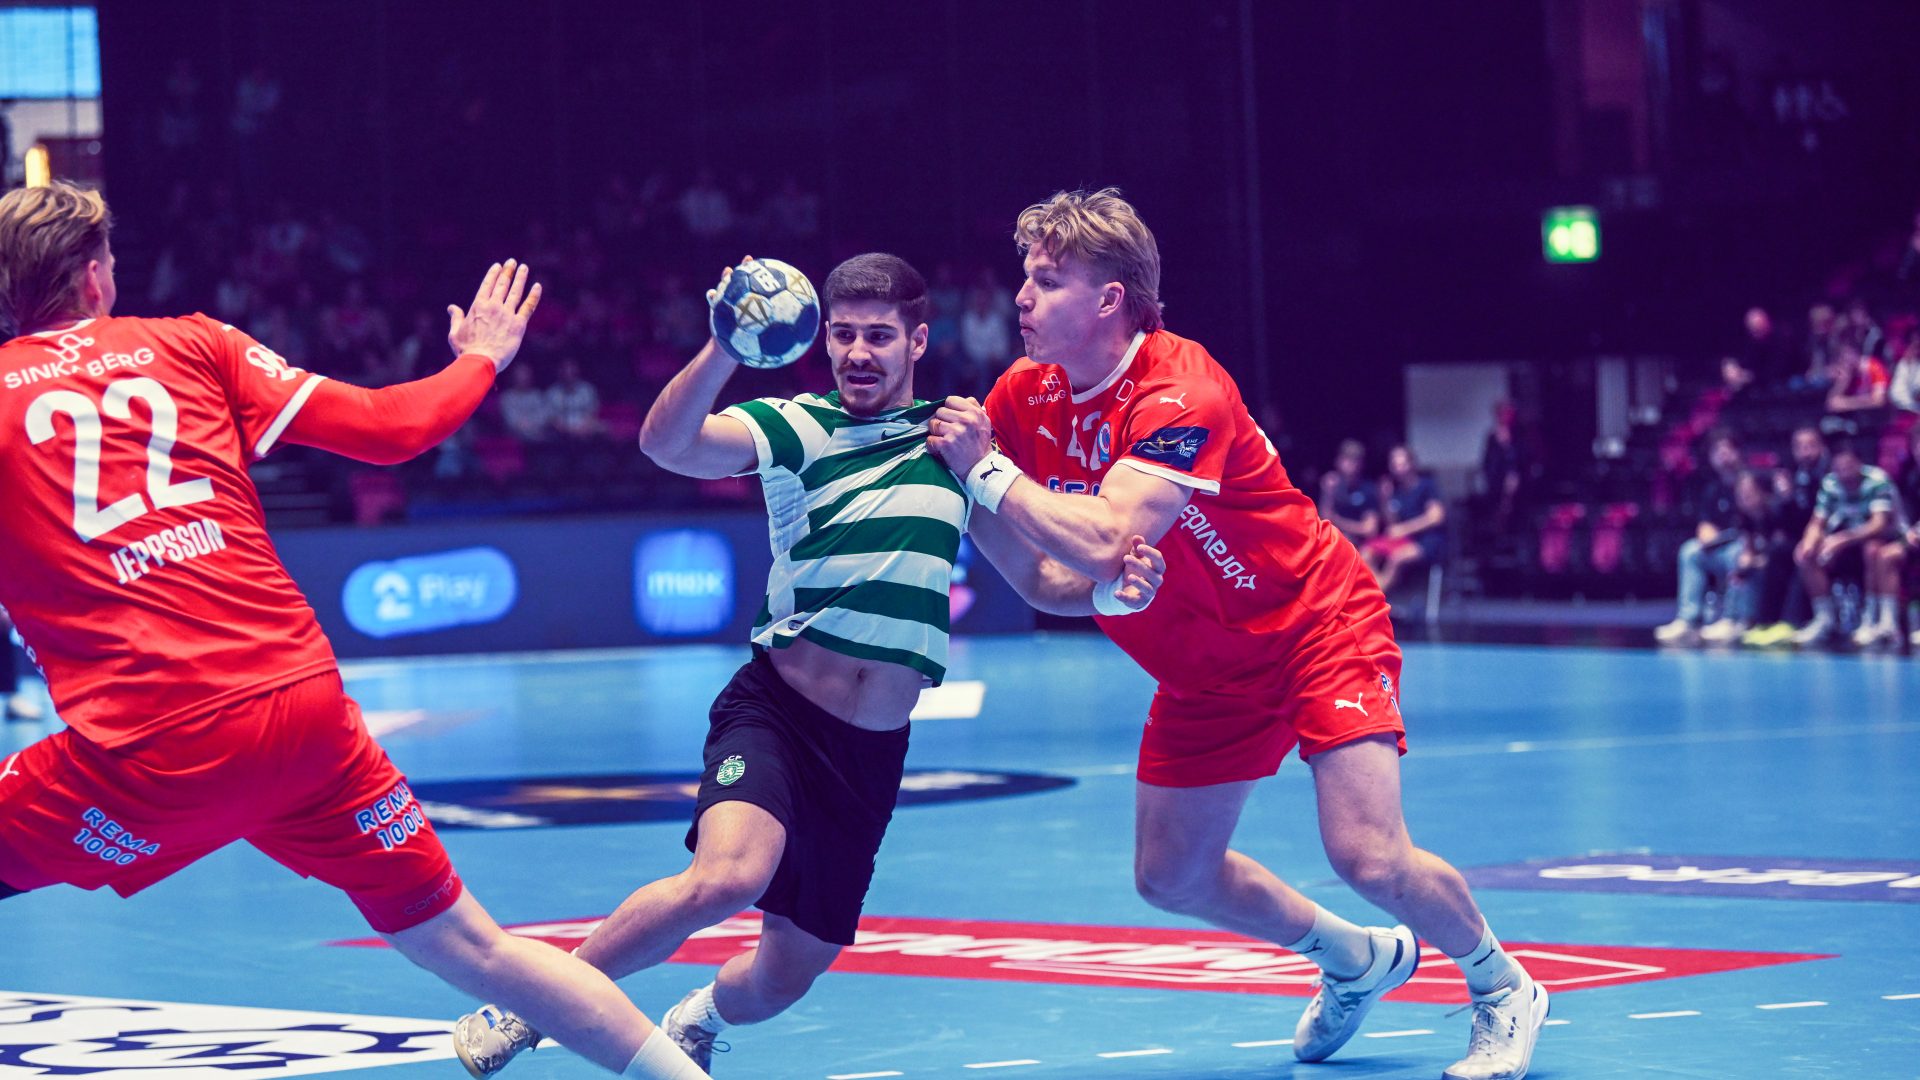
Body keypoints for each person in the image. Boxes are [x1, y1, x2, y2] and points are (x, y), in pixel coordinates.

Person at [0, 182, 708, 1080]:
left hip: (150, 748)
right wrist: (480, 358)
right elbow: (393, 427)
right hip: (306, 722)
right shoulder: (194, 344)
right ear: (96, 277)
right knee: (475, 948)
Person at [451, 253, 1164, 1075]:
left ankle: (698, 1016)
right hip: (777, 713)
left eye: (880, 337)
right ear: (823, 338)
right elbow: (667, 444)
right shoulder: (797, 426)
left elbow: (1040, 582)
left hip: (868, 752)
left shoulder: (959, 447)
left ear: (917, 341)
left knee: (785, 977)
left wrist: (1114, 594)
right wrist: (723, 347)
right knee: (725, 877)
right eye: (844, 335)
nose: (859, 353)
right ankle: (530, 1006)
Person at [927, 188, 1546, 1080]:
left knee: (1368, 855)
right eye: (1026, 276)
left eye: (1049, 280)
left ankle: (1502, 985)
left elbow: (1105, 536)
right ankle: (1353, 957)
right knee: (1170, 875)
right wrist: (999, 513)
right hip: (1204, 672)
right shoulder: (1025, 397)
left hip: (1313, 626)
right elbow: (1041, 580)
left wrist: (984, 471)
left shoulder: (1181, 389)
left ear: (1110, 299)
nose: (1022, 296)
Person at [1791, 441, 1897, 647]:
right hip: (1844, 544)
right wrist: (1810, 541)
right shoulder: (1830, 483)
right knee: (1804, 553)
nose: (1844, 474)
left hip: (1882, 538)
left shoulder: (1877, 480)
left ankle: (1878, 621)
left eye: (1848, 467)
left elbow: (1879, 525)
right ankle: (1825, 620)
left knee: (1872, 549)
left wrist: (1842, 540)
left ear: (1859, 464)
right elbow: (1817, 522)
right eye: (1839, 469)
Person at [1655, 431, 1745, 646]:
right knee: (1690, 551)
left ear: (1738, 452)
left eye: (1727, 449)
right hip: (1721, 547)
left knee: (1738, 551)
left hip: (1744, 546)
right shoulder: (1712, 489)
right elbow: (1705, 525)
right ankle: (1688, 619)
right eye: (1717, 451)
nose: (1723, 455)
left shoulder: (1749, 482)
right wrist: (1706, 535)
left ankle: (1731, 619)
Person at [1743, 427, 1827, 647]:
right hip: (1799, 538)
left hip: (1826, 539)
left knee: (1802, 555)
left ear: (1821, 447)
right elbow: (1786, 521)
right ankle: (1766, 622)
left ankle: (1792, 622)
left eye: (1810, 446)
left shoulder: (1829, 476)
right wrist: (1787, 498)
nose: (1805, 452)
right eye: (1800, 447)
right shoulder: (1794, 476)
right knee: (1777, 551)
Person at [1363, 444, 1447, 594]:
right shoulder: (1397, 492)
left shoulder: (1426, 486)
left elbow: (1436, 517)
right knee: (1366, 553)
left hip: (1427, 541)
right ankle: (1378, 592)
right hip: (1404, 540)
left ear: (1412, 464)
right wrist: (1385, 499)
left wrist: (1405, 529)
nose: (1399, 469)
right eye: (1395, 465)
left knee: (1396, 557)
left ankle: (1375, 597)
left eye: (1402, 464)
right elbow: (1393, 524)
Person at [1318, 438, 1379, 545]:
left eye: (1355, 459)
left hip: (1361, 543)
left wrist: (1337, 520)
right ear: (1338, 461)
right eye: (1347, 458)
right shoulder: (1331, 485)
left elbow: (1370, 529)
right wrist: (1327, 493)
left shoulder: (1368, 489)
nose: (1351, 464)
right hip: (1334, 539)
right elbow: (1324, 520)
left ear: (1362, 463)